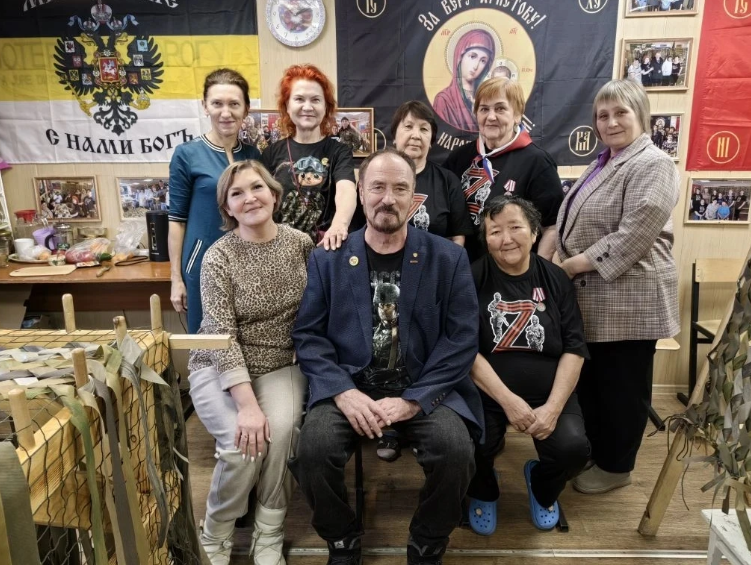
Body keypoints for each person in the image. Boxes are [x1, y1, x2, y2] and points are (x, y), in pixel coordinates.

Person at [289, 147, 483, 565]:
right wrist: (342, 392)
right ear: (360, 193)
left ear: (414, 197)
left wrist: (414, 400)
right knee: (314, 450)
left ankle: (428, 540)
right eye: (377, 187)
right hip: (350, 387)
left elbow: (462, 339)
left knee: (456, 451)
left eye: (400, 188)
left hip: (422, 387)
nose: (388, 199)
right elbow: (308, 335)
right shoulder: (328, 258)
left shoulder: (448, 258)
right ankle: (341, 538)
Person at [556, 79, 679, 494]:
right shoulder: (607, 161)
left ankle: (616, 468)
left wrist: (570, 266)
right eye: (602, 115)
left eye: (620, 113)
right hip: (598, 298)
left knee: (622, 389)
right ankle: (598, 452)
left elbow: (632, 235)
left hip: (630, 299)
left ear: (641, 115)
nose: (610, 122)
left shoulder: (654, 163)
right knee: (597, 385)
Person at [188, 160, 313, 565]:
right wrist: (246, 405)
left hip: (280, 363)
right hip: (217, 363)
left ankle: (269, 531)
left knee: (283, 433)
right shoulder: (218, 257)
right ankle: (216, 533)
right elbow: (220, 333)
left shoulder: (301, 244)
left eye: (257, 187)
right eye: (236, 193)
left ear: (274, 194)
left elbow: (317, 309)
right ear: (227, 207)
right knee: (241, 445)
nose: (250, 198)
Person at [465, 196, 589, 535]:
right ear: (486, 239)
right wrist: (508, 401)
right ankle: (484, 489)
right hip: (488, 392)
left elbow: (575, 348)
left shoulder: (556, 279)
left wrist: (553, 408)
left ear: (534, 232)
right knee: (468, 444)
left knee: (573, 450)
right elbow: (465, 350)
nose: (506, 239)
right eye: (495, 231)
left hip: (548, 392)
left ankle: (542, 486)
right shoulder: (471, 277)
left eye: (515, 227)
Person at [168, 68, 261, 333]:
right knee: (207, 339)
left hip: (247, 261)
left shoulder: (254, 155)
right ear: (205, 106)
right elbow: (176, 220)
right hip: (201, 261)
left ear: (246, 109)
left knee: (246, 335)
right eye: (217, 103)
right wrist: (176, 279)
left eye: (234, 104)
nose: (226, 112)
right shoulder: (187, 154)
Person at [443, 77, 563, 263]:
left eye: (500, 109)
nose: (491, 117)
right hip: (462, 270)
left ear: (517, 115)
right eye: (484, 109)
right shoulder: (458, 158)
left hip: (512, 272)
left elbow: (552, 227)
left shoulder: (538, 162)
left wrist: (538, 271)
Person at [261, 64, 359, 249]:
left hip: (325, 248)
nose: (307, 107)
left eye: (316, 100)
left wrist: (339, 224)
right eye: (299, 99)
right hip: (280, 249)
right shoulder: (271, 153)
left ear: (326, 107)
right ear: (287, 105)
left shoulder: (339, 151)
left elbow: (346, 190)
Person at [392, 101, 473, 244]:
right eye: (408, 126)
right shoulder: (375, 177)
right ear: (394, 136)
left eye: (424, 129)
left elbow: (458, 237)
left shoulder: (448, 181)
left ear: (431, 141)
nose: (416, 135)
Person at [433, 28, 495, 132]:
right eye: (472, 56)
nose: (476, 66)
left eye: (483, 61)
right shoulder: (443, 100)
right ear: (460, 57)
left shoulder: (487, 97)